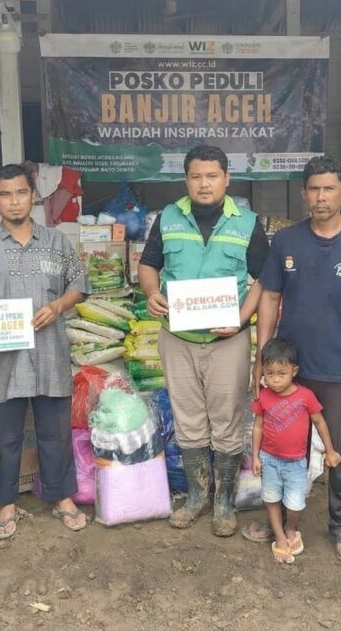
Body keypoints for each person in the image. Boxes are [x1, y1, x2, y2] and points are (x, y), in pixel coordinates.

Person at [248, 155, 341, 565]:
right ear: (303, 194)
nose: (321, 197)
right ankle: (279, 519)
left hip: (339, 369)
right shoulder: (286, 242)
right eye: (313, 189)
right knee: (282, 447)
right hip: (288, 370)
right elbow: (270, 297)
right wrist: (262, 358)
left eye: (329, 189)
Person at [137, 144, 269, 536]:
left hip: (229, 341)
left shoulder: (247, 223)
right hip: (178, 338)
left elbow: (264, 280)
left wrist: (241, 319)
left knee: (227, 419)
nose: (204, 183)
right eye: (196, 176)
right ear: (186, 180)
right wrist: (151, 293)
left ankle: (224, 502)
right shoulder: (168, 219)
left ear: (227, 179)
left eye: (212, 176)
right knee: (188, 418)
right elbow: (149, 265)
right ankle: (197, 497)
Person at [0, 164, 91, 538]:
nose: (14, 201)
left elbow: (79, 284)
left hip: (50, 354)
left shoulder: (56, 242)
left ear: (33, 196)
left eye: (21, 193)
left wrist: (58, 306)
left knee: (55, 432)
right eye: (5, 194)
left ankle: (61, 496)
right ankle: (5, 503)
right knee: (5, 435)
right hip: (4, 360)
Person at [250, 338, 341, 564]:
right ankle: (280, 536)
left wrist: (330, 451)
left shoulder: (305, 396)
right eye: (269, 373)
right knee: (271, 499)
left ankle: (291, 527)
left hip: (296, 463)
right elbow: (258, 426)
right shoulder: (264, 396)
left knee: (295, 505)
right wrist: (255, 457)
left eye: (281, 373)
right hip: (269, 460)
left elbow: (319, 422)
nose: (275, 379)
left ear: (294, 371)